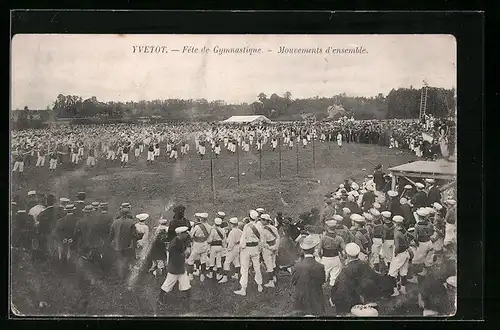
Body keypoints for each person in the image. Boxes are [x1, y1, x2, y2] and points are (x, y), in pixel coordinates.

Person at [158, 226, 192, 311]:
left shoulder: (179, 240)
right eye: (184, 233)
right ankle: (160, 298)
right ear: (180, 234)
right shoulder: (174, 244)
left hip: (179, 267)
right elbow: (175, 258)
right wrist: (184, 256)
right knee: (168, 284)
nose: (186, 234)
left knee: (185, 282)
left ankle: (188, 299)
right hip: (175, 268)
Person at [291, 235, 326, 316]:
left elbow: (293, 281)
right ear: (313, 249)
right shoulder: (320, 266)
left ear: (303, 250)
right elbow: (322, 281)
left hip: (301, 299)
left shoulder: (297, 265)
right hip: (316, 298)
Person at [234, 210, 264, 296]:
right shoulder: (259, 226)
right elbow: (262, 239)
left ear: (249, 217)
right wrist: (259, 248)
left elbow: (243, 239)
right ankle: (260, 285)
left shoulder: (247, 226)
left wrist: (241, 247)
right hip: (255, 248)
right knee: (257, 267)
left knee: (244, 268)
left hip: (246, 249)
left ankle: (243, 289)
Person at [109, 208, 138, 280]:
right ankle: (125, 275)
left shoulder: (115, 222)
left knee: (119, 260)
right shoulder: (131, 222)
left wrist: (110, 241)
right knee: (126, 260)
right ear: (127, 214)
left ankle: (121, 276)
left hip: (117, 245)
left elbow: (111, 234)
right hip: (128, 245)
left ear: (120, 214)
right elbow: (134, 234)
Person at [388, 215, 410, 297]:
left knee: (392, 273)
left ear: (395, 223)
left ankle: (395, 291)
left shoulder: (397, 232)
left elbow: (397, 246)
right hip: (405, 252)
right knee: (403, 272)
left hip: (400, 253)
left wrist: (396, 253)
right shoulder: (404, 230)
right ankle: (403, 289)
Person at [319, 220, 345, 287]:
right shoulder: (339, 238)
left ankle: (322, 292)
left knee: (323, 276)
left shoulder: (323, 238)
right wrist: (343, 257)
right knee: (334, 279)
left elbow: (319, 250)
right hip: (336, 259)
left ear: (327, 227)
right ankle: (333, 293)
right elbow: (345, 249)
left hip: (325, 258)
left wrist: (321, 257)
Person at [186, 213, 211, 282]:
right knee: (203, 260)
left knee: (191, 260)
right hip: (205, 244)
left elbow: (191, 236)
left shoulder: (197, 227)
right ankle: (202, 275)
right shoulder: (210, 226)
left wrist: (188, 232)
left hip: (197, 245)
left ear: (201, 219)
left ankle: (190, 276)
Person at [219, 217, 242, 283]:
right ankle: (236, 275)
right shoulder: (240, 231)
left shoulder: (232, 232)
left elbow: (231, 242)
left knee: (226, 263)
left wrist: (228, 249)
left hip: (233, 248)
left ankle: (225, 277)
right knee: (236, 261)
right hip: (238, 247)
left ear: (231, 224)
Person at [261, 214, 280, 287]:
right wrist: (275, 247)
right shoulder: (274, 228)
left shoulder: (263, 230)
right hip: (274, 246)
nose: (261, 221)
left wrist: (270, 247)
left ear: (266, 221)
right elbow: (278, 237)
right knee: (273, 263)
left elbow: (263, 243)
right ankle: (274, 278)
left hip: (267, 249)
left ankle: (271, 281)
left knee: (269, 265)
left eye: (262, 220)